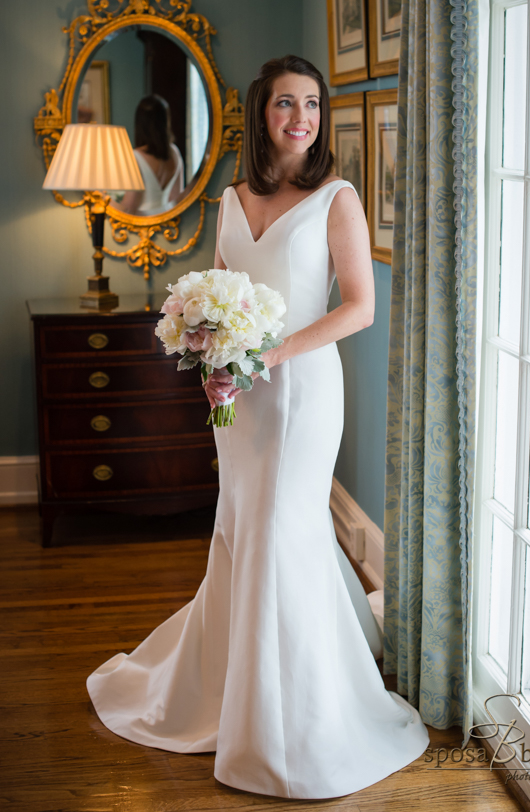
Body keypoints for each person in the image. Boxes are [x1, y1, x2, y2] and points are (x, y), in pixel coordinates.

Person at [86, 55, 429, 799]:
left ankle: (290, 723)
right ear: (259, 115)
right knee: (241, 525)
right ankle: (230, 693)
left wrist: (268, 353)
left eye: (311, 104)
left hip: (301, 389)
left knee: (282, 531)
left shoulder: (336, 197)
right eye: (285, 104)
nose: (300, 117)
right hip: (234, 397)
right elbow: (212, 288)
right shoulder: (231, 199)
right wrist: (209, 348)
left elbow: (357, 308)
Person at [115, 94, 189, 216]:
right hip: (167, 221)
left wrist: (105, 200)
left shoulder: (136, 158)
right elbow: (176, 197)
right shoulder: (174, 152)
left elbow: (129, 207)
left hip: (143, 226)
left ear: (140, 123)